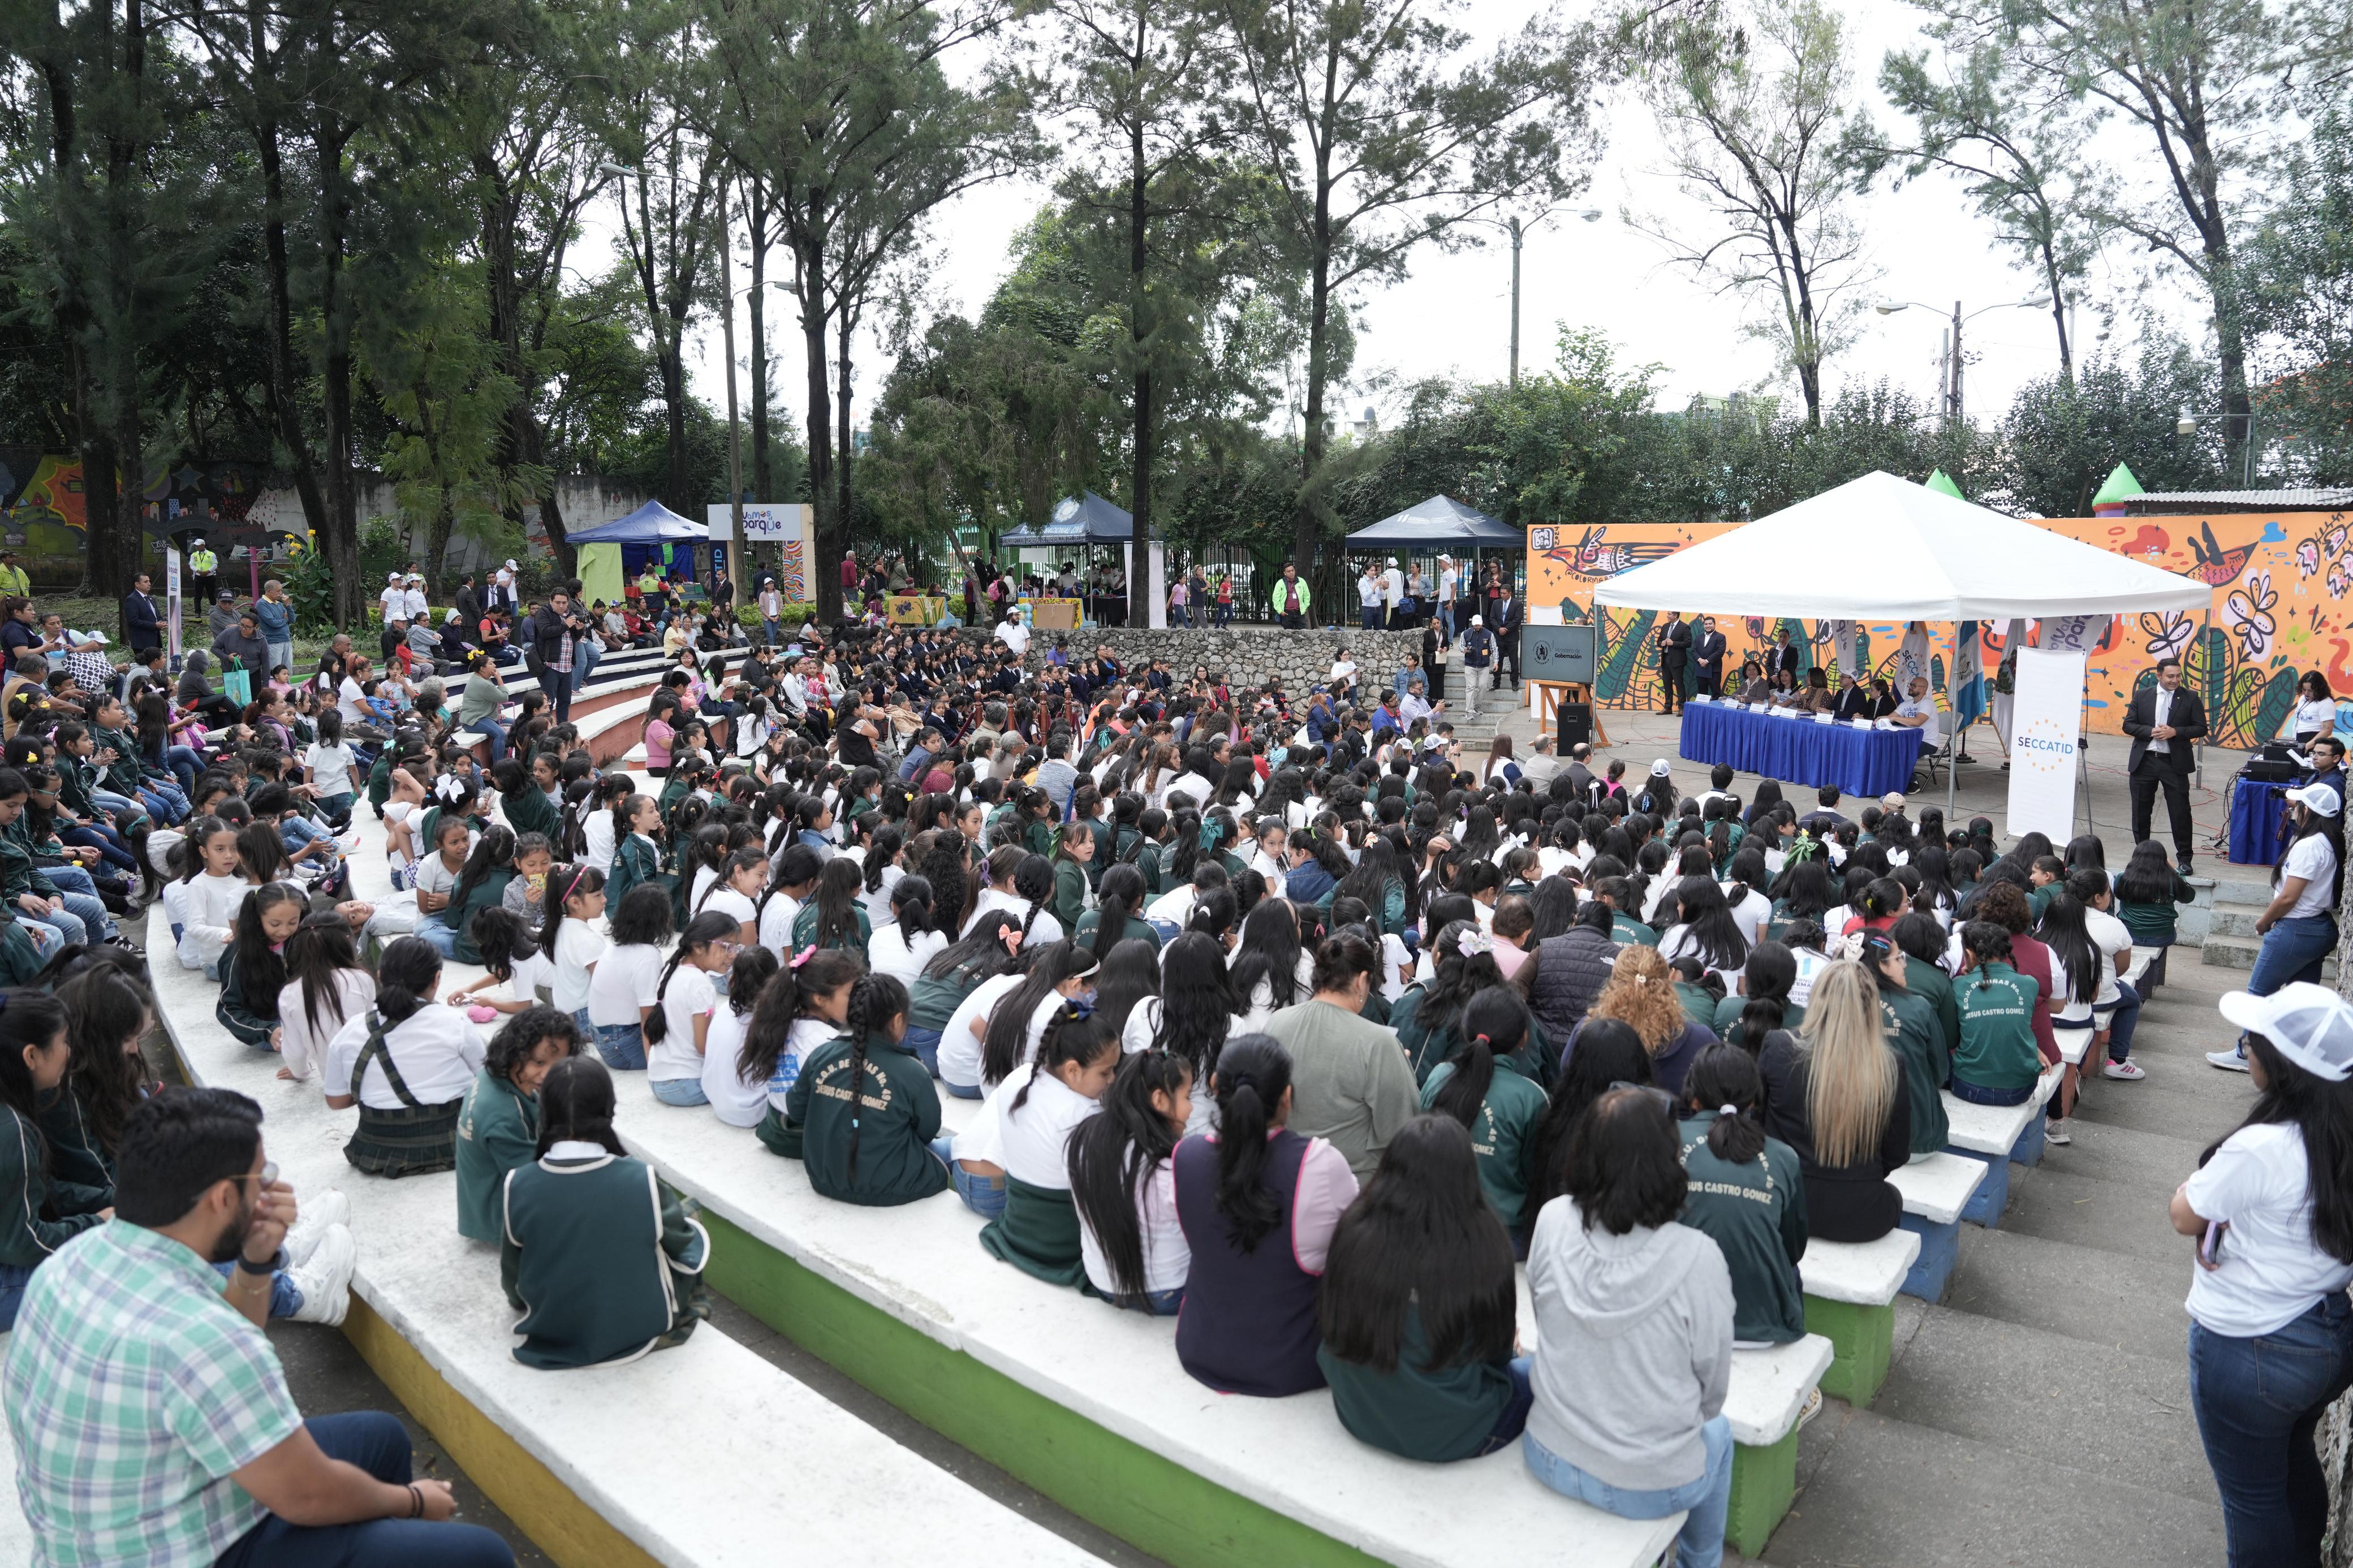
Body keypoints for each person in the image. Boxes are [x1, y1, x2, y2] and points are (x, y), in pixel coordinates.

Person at [4, 1087, 514, 1566]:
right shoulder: (199, 1337)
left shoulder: (71, 1264)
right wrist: (410, 1502)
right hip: (184, 1551)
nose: (271, 1188)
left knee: (380, 1437)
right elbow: (305, 1494)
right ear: (224, 1198)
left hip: (116, 1526)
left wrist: (255, 1260)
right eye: (260, 1176)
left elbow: (224, 1359)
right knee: (479, 1553)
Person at [2171, 983, 2353, 1567]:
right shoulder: (2337, 1136)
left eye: (2254, 1041)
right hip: (2326, 1333)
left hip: (2248, 1348)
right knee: (2292, 1453)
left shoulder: (2261, 1147)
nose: (2245, 1047)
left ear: (2283, 1067)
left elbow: (2183, 1214)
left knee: (2250, 1501)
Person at [1522, 1087, 1735, 1568]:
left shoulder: (1552, 1219)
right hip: (1652, 1485)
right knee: (1719, 1433)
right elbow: (1712, 1391)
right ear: (1669, 1160)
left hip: (1549, 1454)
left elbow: (1544, 1319)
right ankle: (1699, 1562)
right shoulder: (1699, 1256)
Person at [1316, 1114, 1528, 1461]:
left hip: (1357, 1411)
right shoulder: (1485, 1247)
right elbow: (1498, 1356)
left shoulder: (1353, 1230)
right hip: (1456, 1433)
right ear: (1466, 1176)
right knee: (1533, 1374)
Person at [1171, 1034, 1359, 1396]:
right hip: (1293, 1363)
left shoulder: (1185, 1156)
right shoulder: (1317, 1163)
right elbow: (1353, 1238)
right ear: (1287, 1097)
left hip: (1200, 1347)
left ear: (1214, 1087)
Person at [500, 1056, 709, 1370]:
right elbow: (684, 1253)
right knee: (687, 1214)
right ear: (609, 1108)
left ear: (544, 1113)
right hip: (640, 1327)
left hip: (554, 1333)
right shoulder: (643, 1179)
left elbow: (513, 1279)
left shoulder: (518, 1184)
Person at [1757, 960, 1911, 1243]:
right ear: (1871, 1008)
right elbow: (1897, 1153)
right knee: (1895, 1198)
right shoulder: (1891, 1065)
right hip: (1861, 1214)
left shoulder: (1778, 1045)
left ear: (1816, 999)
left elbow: (1757, 1122)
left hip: (1783, 1202)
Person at [1257, 932, 1418, 1181]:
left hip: (1287, 1177)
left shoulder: (1277, 1023)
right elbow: (1402, 1128)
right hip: (1354, 1186)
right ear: (1362, 980)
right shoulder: (1378, 1043)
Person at [1677, 1043, 1809, 1346]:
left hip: (1677, 1323)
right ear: (1753, 1099)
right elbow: (1793, 1249)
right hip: (1762, 1330)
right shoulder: (1783, 1157)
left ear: (1693, 1099)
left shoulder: (1665, 1137)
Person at [323, 936, 486, 1178]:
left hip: (377, 1149)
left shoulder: (351, 1031)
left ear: (379, 975)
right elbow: (488, 1078)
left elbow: (336, 1102)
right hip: (452, 1144)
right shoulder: (455, 1022)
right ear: (437, 979)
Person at [785, 974, 951, 1207]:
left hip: (823, 1177)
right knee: (953, 1147)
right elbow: (927, 1131)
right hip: (892, 1186)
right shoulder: (913, 1072)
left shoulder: (821, 1054)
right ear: (897, 1021)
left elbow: (796, 1110)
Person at [2213, 781, 2344, 1072]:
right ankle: (2296, 1055)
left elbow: (2289, 897)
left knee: (2260, 992)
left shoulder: (2310, 846)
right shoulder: (2324, 839)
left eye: (2296, 805)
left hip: (2296, 928)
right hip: (2315, 928)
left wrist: (2265, 921)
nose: (2290, 807)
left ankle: (2247, 1054)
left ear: (2307, 810)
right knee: (2302, 999)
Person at [1068, 1049, 1194, 1313]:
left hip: (1103, 1282)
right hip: (1168, 1292)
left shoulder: (1083, 1139)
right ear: (1159, 1099)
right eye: (1187, 1097)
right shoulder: (1171, 1168)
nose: (1191, 1108)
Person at [455, 1007, 581, 1243]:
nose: (548, 1074)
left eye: (559, 1064)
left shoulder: (494, 1076)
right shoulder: (505, 1115)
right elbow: (533, 1184)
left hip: (480, 1206)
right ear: (514, 1052)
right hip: (503, 1222)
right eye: (539, 1062)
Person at [2122, 654, 2208, 872]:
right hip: (2145, 762)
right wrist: (2150, 731)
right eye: (2170, 676)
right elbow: (2128, 725)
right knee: (2141, 811)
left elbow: (2201, 728)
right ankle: (2142, 857)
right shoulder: (2143, 696)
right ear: (2159, 675)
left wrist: (2175, 732)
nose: (2175, 680)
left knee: (2180, 812)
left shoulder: (2190, 698)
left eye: (2179, 676)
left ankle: (2185, 859)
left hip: (2174, 763)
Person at [1656, 611, 1692, 714]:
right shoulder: (1665, 626)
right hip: (1665, 660)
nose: (1667, 616)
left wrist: (1674, 643)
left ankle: (1682, 708)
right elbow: (1659, 641)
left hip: (1677, 661)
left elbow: (1688, 643)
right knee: (1667, 684)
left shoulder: (1685, 627)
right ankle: (1668, 708)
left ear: (1675, 616)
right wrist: (1661, 643)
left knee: (1679, 684)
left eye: (1669, 614)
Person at [2294, 671, 2338, 746]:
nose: (2306, 693)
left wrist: (2307, 746)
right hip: (2297, 737)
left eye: (2311, 691)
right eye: (2304, 690)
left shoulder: (2326, 703)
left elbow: (2327, 730)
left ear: (2319, 689)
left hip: (2312, 741)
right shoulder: (2302, 698)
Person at [122, 571, 162, 654]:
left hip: (155, 641)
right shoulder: (132, 599)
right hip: (142, 643)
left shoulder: (151, 599)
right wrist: (154, 625)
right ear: (137, 584)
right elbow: (133, 621)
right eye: (146, 582)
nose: (149, 584)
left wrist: (161, 622)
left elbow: (156, 616)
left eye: (149, 581)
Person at [1692, 615, 1727, 698]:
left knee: (1716, 694)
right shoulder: (1698, 638)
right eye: (1706, 624)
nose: (1708, 626)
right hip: (1701, 669)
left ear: (1714, 625)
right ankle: (1702, 711)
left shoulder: (1721, 637)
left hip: (1714, 670)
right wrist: (1700, 660)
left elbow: (1720, 652)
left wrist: (1707, 661)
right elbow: (1694, 650)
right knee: (1702, 694)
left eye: (1710, 624)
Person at [1270, 563, 1312, 629]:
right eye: (1289, 571)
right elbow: (1276, 599)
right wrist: (1280, 611)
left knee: (1301, 635)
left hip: (1300, 613)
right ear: (1285, 573)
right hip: (1287, 613)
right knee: (1288, 636)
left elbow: (1307, 595)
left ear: (1295, 571)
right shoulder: (1280, 583)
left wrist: (1305, 607)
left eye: (1292, 570)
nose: (1291, 573)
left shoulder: (1301, 581)